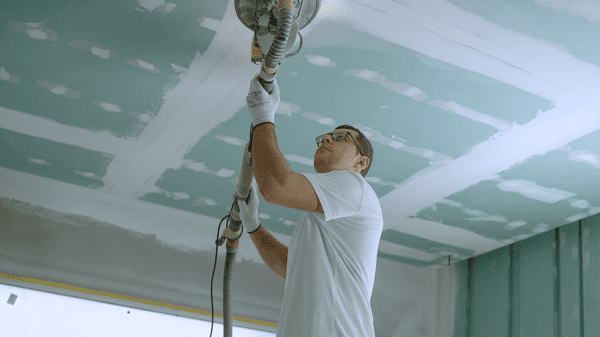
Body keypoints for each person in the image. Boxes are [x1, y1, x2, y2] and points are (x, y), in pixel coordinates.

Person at [237, 73, 383, 337]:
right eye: (325, 136)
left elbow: (277, 187)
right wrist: (253, 226)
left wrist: (262, 118)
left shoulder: (355, 187)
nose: (326, 139)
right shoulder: (321, 219)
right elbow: (289, 266)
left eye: (341, 137)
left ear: (361, 163)